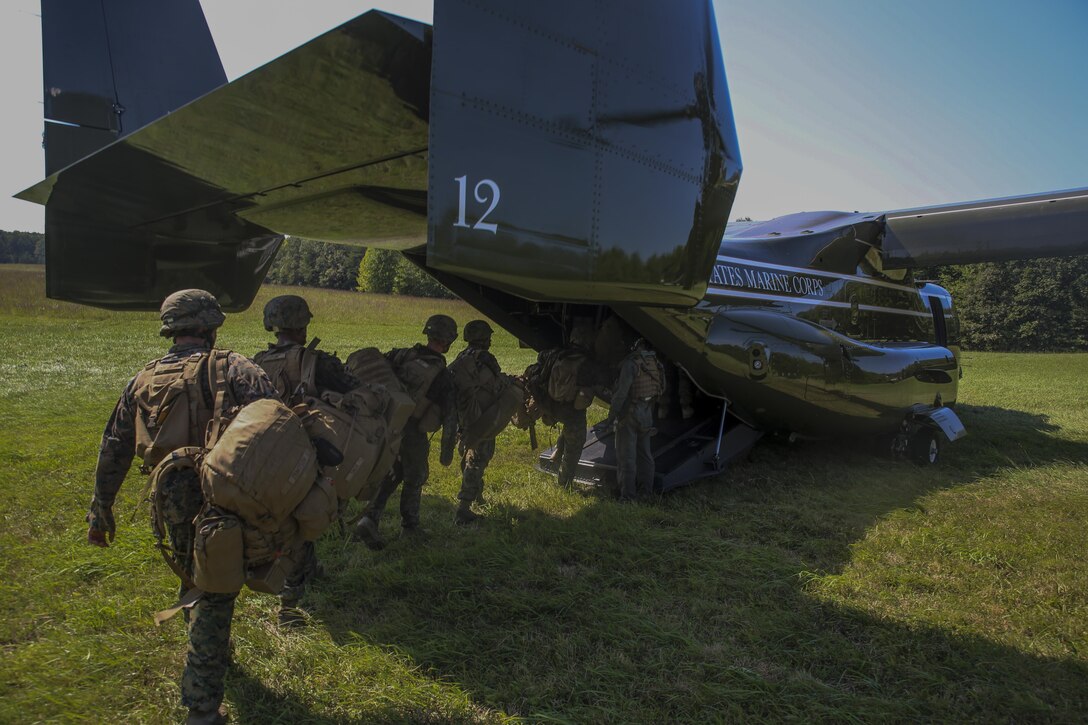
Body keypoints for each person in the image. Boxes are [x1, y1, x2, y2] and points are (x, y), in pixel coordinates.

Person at [86, 289, 278, 725]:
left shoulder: (143, 379)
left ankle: (207, 645)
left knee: (194, 573)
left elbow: (113, 448)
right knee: (216, 590)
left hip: (167, 497)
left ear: (171, 329)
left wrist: (101, 510)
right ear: (211, 326)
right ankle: (201, 707)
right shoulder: (235, 367)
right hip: (222, 495)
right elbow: (276, 424)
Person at [252, 294, 359, 627]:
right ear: (302, 325)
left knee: (295, 517)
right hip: (303, 450)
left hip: (265, 448)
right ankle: (288, 603)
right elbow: (352, 388)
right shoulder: (315, 361)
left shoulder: (258, 360)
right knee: (300, 519)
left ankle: (308, 570)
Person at [352, 314, 458, 548]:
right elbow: (451, 416)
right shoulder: (442, 375)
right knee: (415, 476)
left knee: (394, 472)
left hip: (385, 425)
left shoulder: (400, 354)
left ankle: (370, 517)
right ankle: (410, 527)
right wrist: (447, 452)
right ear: (449, 341)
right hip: (412, 433)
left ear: (427, 334)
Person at [447, 320, 504, 525]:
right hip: (481, 415)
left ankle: (476, 495)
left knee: (470, 455)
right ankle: (463, 508)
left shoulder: (462, 357)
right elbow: (497, 384)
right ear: (484, 338)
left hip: (462, 416)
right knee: (478, 459)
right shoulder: (485, 358)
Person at [611, 338, 665, 501]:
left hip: (630, 414)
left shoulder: (631, 364)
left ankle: (627, 496)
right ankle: (646, 492)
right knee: (645, 455)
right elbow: (662, 388)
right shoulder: (656, 364)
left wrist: (611, 416)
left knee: (626, 457)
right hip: (647, 413)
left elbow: (621, 394)